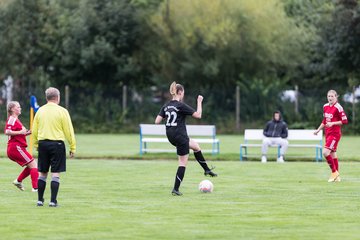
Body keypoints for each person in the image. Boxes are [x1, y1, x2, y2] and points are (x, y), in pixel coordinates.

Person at [155, 82, 217, 196]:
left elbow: (157, 121)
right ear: (180, 92)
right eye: (183, 93)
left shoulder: (166, 105)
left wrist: (167, 115)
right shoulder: (180, 105)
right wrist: (199, 101)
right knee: (182, 163)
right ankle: (175, 189)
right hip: (180, 136)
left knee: (196, 146)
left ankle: (207, 169)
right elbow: (198, 115)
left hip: (171, 136)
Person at [32, 87, 76, 207]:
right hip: (57, 144)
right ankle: (53, 201)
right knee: (55, 174)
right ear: (58, 97)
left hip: (43, 144)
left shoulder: (40, 111)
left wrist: (36, 144)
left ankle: (40, 200)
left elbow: (35, 129)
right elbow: (69, 130)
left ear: (47, 98)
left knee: (42, 173)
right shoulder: (62, 111)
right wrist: (72, 146)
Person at [314, 89, 348, 182]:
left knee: (325, 152)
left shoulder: (338, 107)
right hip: (328, 134)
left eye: (332, 96)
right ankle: (337, 177)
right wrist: (318, 130)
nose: (330, 98)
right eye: (328, 96)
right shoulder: (325, 106)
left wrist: (333, 123)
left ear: (336, 97)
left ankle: (334, 172)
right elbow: (325, 121)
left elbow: (345, 121)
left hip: (335, 134)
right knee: (333, 154)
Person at [5, 101, 39, 192]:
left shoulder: (16, 119)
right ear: (12, 109)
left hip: (16, 147)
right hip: (16, 147)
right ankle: (35, 188)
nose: (20, 108)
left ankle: (18, 181)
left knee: (31, 165)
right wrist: (21, 132)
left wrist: (28, 132)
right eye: (18, 107)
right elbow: (7, 132)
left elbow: (18, 134)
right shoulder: (12, 118)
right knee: (34, 165)